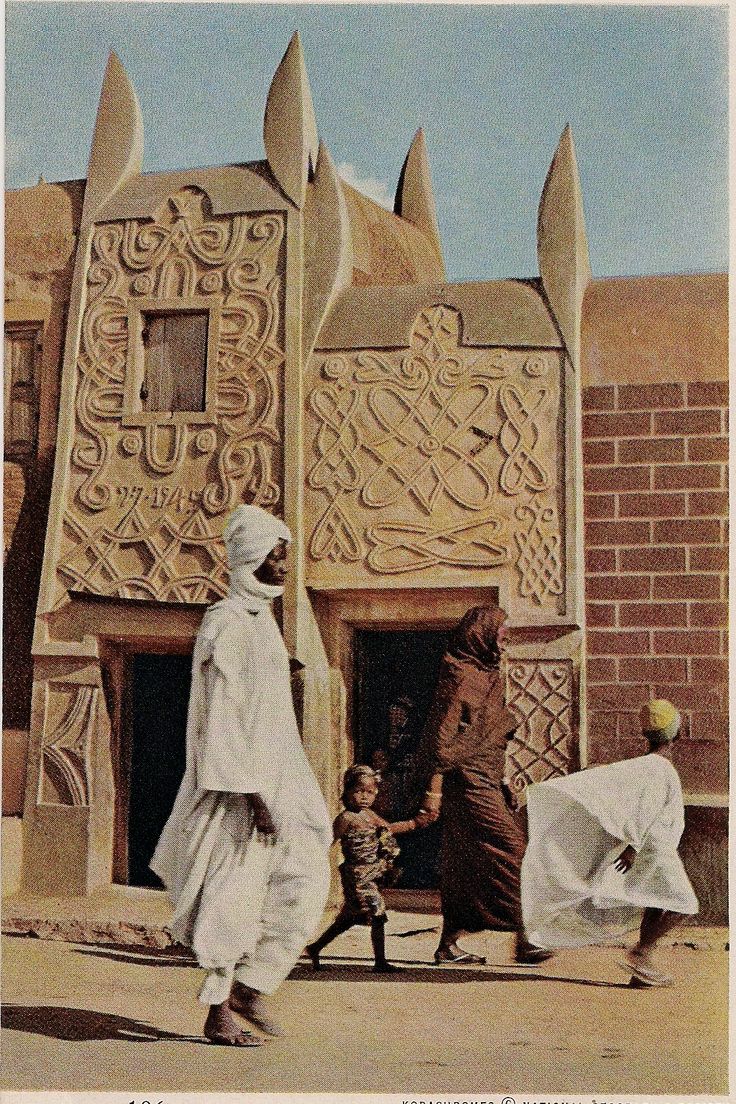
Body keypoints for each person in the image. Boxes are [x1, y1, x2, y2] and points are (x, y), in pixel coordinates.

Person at [150, 504, 332, 1046]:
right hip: (239, 787)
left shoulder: (262, 622)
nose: (283, 565)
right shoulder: (226, 621)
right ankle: (217, 1009)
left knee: (305, 876)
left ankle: (253, 987)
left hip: (281, 777)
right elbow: (221, 717)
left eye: (285, 554)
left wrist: (283, 787)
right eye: (275, 555)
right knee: (235, 893)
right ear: (250, 558)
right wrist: (253, 796)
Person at [520, 699, 699, 987]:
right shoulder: (660, 770)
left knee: (656, 902)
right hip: (655, 848)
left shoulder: (645, 766)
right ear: (677, 735)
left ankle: (642, 970)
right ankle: (641, 953)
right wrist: (633, 847)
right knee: (684, 904)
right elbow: (645, 810)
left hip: (655, 847)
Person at [416, 605, 551, 965]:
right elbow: (443, 740)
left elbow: (485, 735)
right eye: (501, 633)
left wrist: (504, 779)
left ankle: (448, 945)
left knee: (465, 865)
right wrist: (434, 791)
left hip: (487, 779)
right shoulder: (462, 677)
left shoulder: (487, 675)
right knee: (514, 853)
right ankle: (527, 936)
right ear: (483, 634)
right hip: (468, 783)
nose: (506, 639)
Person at [306, 765, 430, 972]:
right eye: (359, 791)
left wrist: (415, 823)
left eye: (369, 792)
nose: (364, 797)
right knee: (378, 913)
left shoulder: (370, 815)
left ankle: (315, 947)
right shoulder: (346, 818)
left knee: (349, 918)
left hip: (372, 874)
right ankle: (380, 962)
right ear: (347, 791)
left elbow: (388, 829)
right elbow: (328, 841)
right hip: (357, 876)